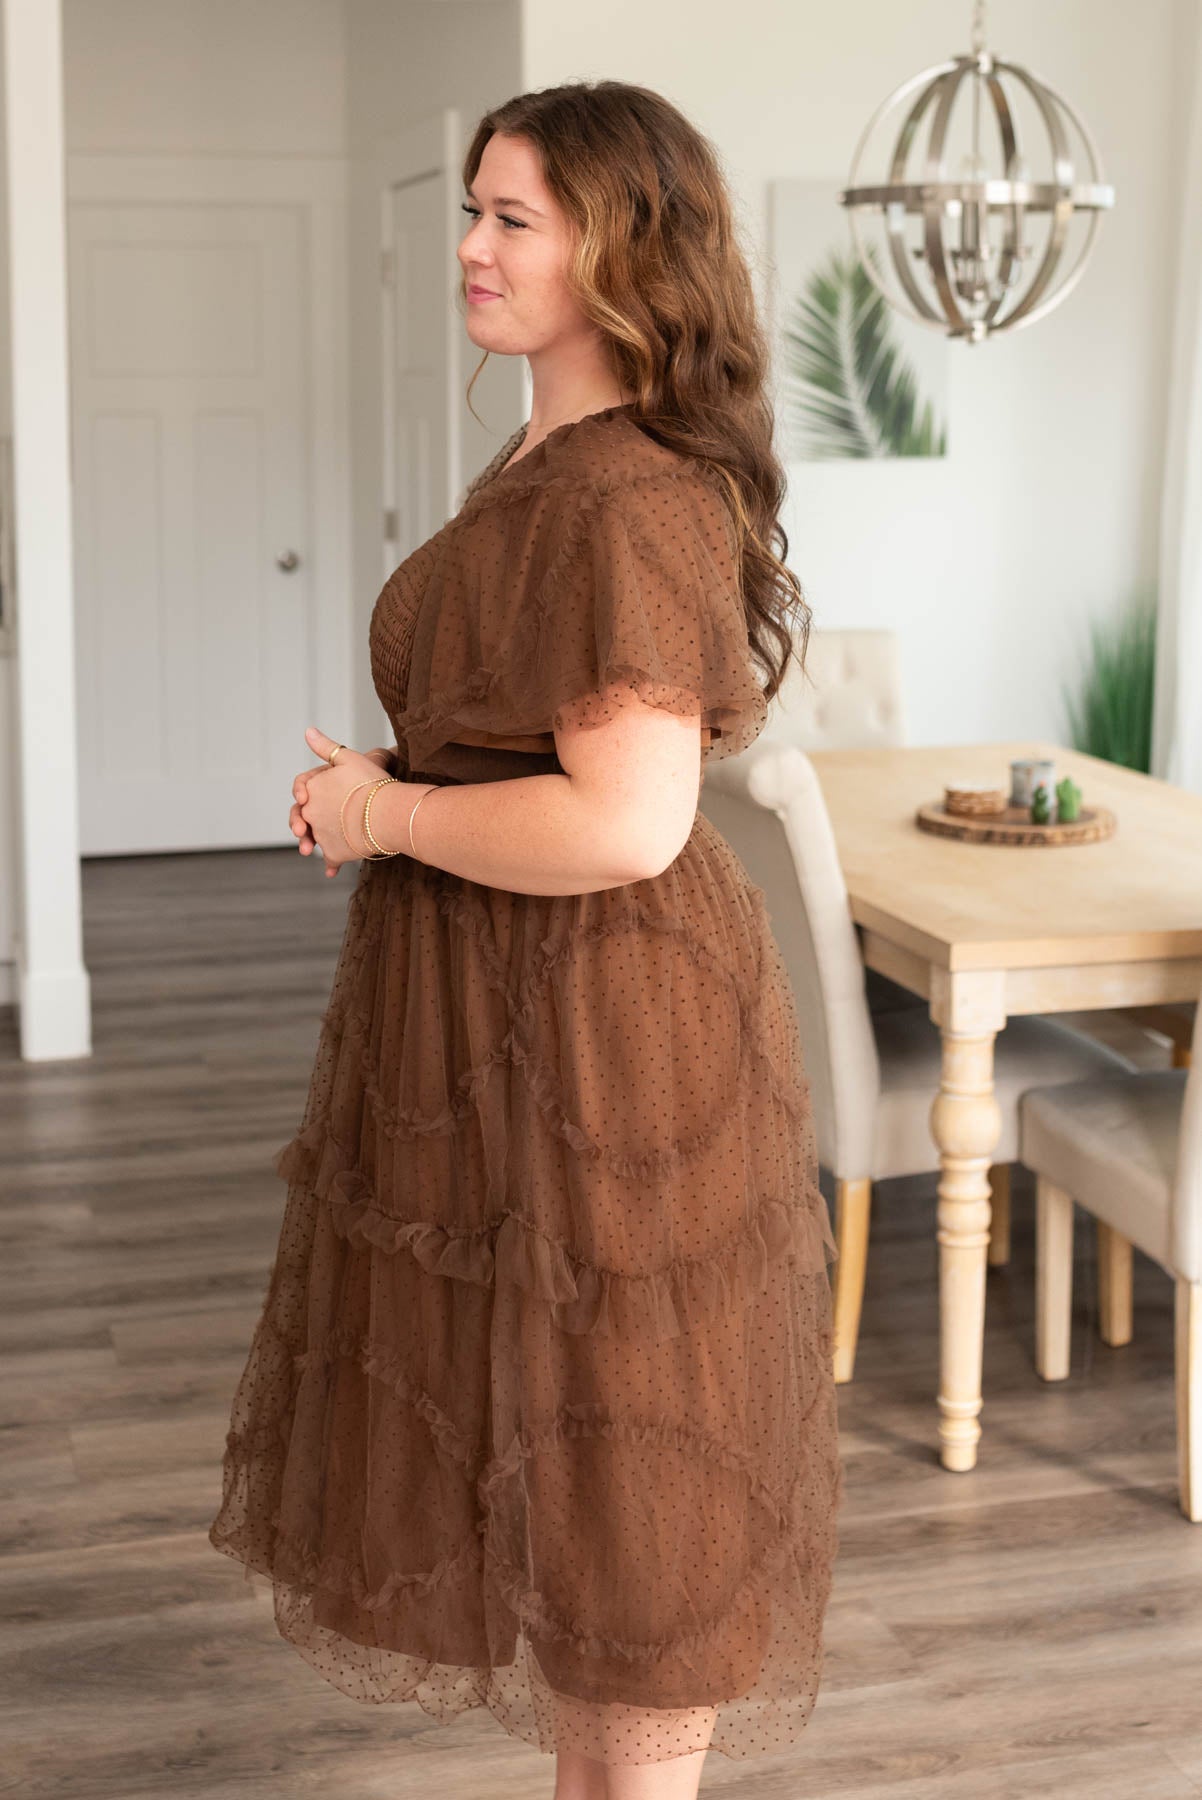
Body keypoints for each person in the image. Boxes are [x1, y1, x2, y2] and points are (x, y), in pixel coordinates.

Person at [209, 79, 843, 1800]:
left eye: (513, 220)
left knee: (629, 1494)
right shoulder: (547, 454)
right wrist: (403, 777)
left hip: (601, 1025)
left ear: (619, 249)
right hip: (505, 1003)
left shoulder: (626, 493)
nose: (472, 249)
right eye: (473, 211)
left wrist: (393, 817)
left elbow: (628, 820)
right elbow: (542, 732)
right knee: (559, 1476)